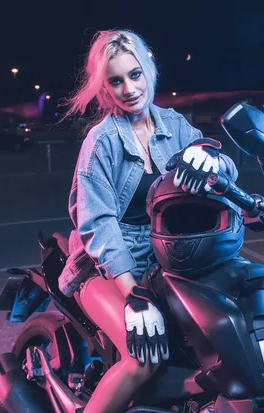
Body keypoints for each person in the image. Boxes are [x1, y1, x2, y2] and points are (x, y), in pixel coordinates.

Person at [57, 29, 238, 413]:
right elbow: (96, 222)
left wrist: (214, 160)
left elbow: (224, 175)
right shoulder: (101, 141)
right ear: (105, 88)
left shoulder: (174, 125)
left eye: (134, 75)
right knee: (144, 357)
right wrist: (132, 293)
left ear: (149, 71)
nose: (128, 89)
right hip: (107, 266)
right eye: (116, 81)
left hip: (167, 256)